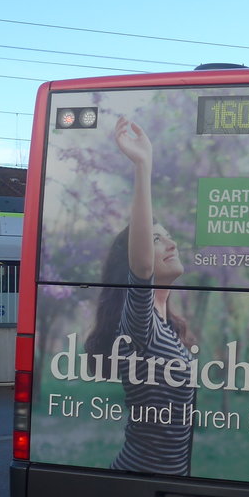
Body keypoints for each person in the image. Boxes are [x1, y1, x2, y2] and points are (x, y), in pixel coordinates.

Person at [85, 118, 196, 475]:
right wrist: (143, 166)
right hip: (137, 479)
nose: (171, 243)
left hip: (168, 481)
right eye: (156, 238)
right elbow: (142, 271)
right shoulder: (140, 324)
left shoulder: (167, 326)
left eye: (167, 235)